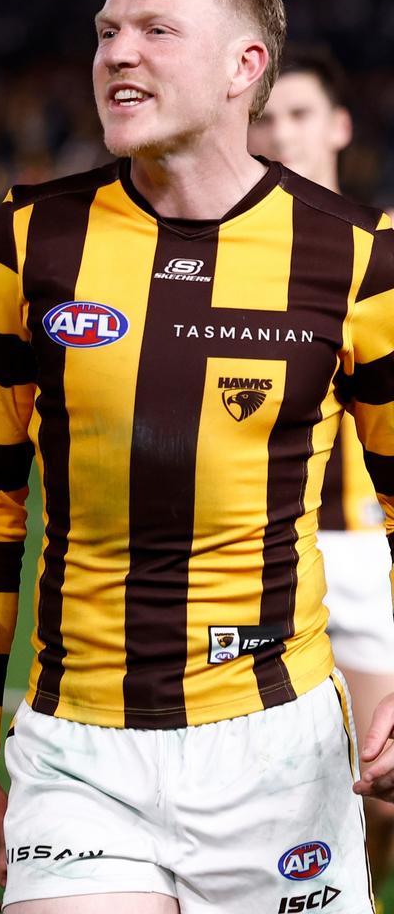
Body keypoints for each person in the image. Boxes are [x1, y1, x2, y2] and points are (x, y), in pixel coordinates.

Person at [0, 0, 394, 914]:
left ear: (243, 67)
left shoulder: (353, 256)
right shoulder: (24, 239)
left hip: (281, 749)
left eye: (155, 29)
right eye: (105, 30)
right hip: (77, 746)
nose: (117, 52)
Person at [249, 44, 394, 893]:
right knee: (278, 801)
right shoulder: (232, 258)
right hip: (271, 550)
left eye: (300, 115)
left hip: (370, 551)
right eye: (267, 118)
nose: (283, 134)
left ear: (338, 126)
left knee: (379, 796)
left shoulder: (383, 251)